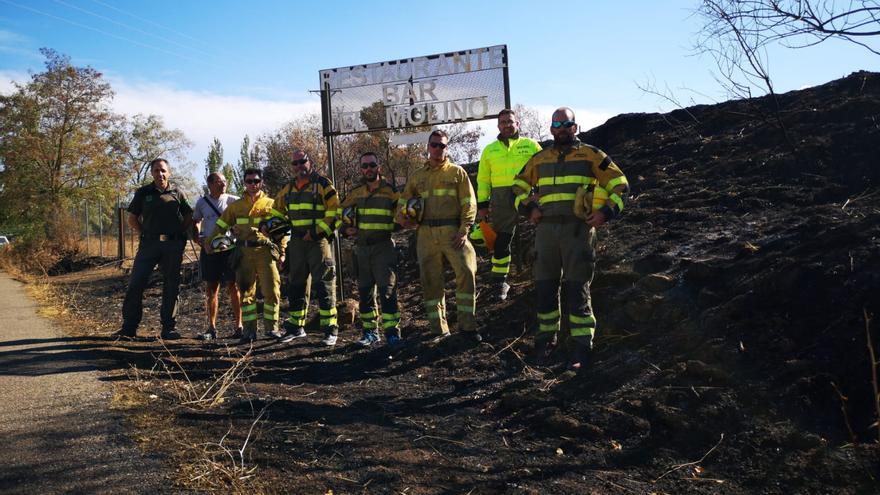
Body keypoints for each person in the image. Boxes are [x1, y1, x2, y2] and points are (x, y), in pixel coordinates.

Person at [512, 107, 629, 369]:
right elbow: (517, 187)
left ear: (575, 127)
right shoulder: (539, 159)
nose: (562, 128)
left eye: (566, 123)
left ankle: (581, 348)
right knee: (544, 288)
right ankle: (545, 343)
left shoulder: (592, 155)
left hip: (578, 231)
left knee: (577, 289)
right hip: (546, 232)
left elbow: (621, 185)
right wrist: (529, 208)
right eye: (556, 124)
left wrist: (605, 213)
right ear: (551, 129)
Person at [398, 130, 480, 343]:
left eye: (442, 145)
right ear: (428, 147)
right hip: (425, 234)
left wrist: (464, 229)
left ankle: (467, 328)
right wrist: (404, 218)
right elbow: (404, 202)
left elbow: (469, 203)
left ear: (447, 148)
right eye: (434, 145)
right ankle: (439, 330)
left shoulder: (457, 173)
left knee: (466, 273)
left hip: (453, 232)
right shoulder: (418, 176)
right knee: (430, 280)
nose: (437, 149)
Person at [115, 158, 192, 340]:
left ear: (169, 172)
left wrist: (180, 235)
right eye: (157, 170)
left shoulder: (177, 193)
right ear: (152, 173)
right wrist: (145, 233)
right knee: (136, 284)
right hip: (149, 245)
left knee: (171, 286)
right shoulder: (143, 193)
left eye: (163, 170)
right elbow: (132, 219)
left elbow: (189, 215)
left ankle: (168, 328)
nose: (160, 174)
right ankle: (129, 328)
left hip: (172, 247)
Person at [269, 151, 340, 346]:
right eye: (295, 163)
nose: (299, 166)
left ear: (310, 162)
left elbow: (335, 211)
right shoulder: (288, 188)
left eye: (302, 161)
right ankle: (296, 327)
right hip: (297, 243)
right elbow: (276, 211)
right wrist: (275, 227)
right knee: (296, 285)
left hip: (318, 243)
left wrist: (317, 232)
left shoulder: (323, 184)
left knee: (324, 285)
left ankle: (330, 330)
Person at [206, 168, 283, 344]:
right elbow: (220, 226)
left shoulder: (272, 204)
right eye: (249, 181)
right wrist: (209, 242)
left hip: (265, 252)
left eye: (256, 181)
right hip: (243, 253)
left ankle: (272, 329)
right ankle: (249, 332)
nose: (253, 184)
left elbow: (282, 232)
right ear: (244, 183)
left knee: (272, 291)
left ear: (261, 182)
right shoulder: (236, 206)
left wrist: (282, 253)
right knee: (247, 293)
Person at [476, 108, 542, 301]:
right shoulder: (489, 150)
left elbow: (542, 170)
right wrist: (483, 204)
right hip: (500, 199)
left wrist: (538, 193)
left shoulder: (531, 145)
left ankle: (543, 275)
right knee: (501, 241)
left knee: (544, 231)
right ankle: (499, 282)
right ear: (498, 125)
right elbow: (483, 180)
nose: (507, 125)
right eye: (503, 122)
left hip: (526, 195)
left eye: (510, 121)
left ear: (517, 124)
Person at [338, 152, 402, 347]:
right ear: (361, 169)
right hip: (362, 249)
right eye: (365, 166)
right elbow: (340, 215)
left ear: (378, 167)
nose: (368, 169)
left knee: (388, 292)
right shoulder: (355, 193)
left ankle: (392, 333)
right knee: (365, 293)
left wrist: (395, 225)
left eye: (372, 165)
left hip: (383, 247)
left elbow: (402, 216)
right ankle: (370, 333)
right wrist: (344, 229)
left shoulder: (390, 191)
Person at [192, 173, 242, 340]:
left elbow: (243, 220)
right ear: (210, 184)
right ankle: (211, 328)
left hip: (230, 249)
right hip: (210, 250)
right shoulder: (202, 202)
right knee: (211, 288)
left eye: (225, 181)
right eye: (220, 182)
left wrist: (238, 230)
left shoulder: (233, 200)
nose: (224, 184)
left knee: (234, 286)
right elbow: (196, 221)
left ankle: (239, 326)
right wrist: (199, 237)